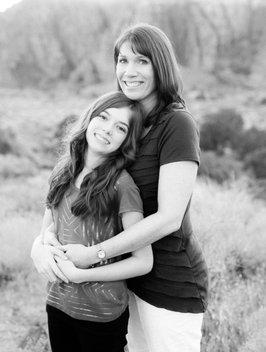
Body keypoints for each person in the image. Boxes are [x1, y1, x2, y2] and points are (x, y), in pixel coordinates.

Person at [32, 23, 208, 352]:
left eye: (142, 61)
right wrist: (41, 243)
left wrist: (92, 256)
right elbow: (75, 194)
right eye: (123, 60)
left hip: (169, 283)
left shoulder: (177, 124)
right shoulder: (127, 125)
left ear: (161, 66)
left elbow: (170, 217)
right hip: (123, 280)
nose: (130, 71)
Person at [31, 91, 153, 352]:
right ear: (89, 118)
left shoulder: (122, 185)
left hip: (101, 315)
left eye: (120, 128)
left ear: (126, 141)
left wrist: (81, 274)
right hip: (57, 302)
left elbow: (143, 261)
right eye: (104, 117)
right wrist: (43, 243)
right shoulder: (63, 171)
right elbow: (48, 229)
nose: (108, 130)